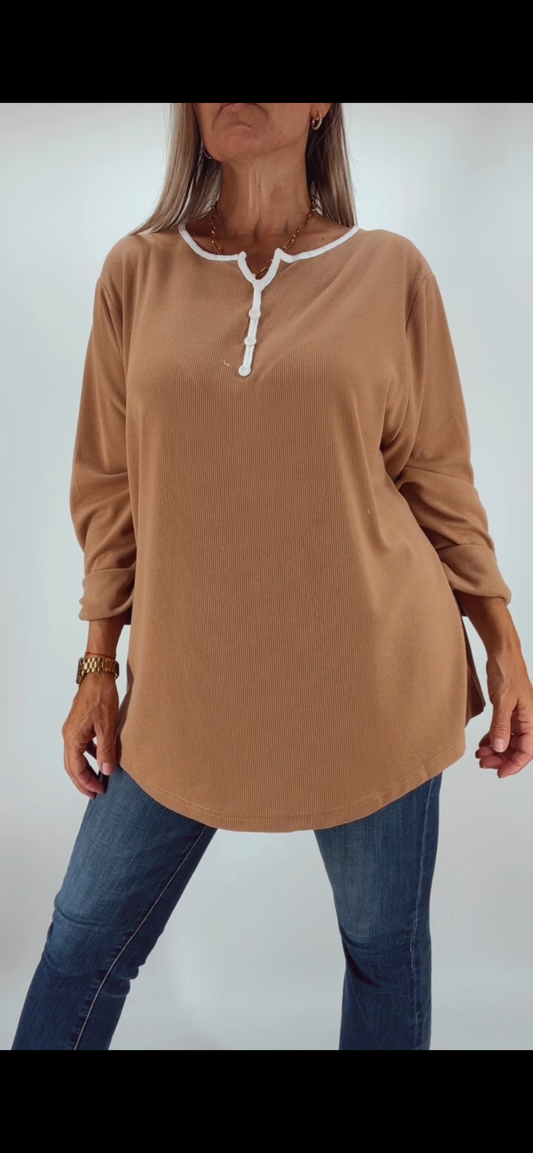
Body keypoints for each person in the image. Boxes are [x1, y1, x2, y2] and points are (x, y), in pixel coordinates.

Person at [12, 103, 533, 1051]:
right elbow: (109, 488)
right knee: (81, 945)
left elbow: (437, 477)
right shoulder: (137, 272)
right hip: (184, 696)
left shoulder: (390, 272)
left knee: (382, 956)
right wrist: (96, 665)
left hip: (375, 687)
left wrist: (501, 642)